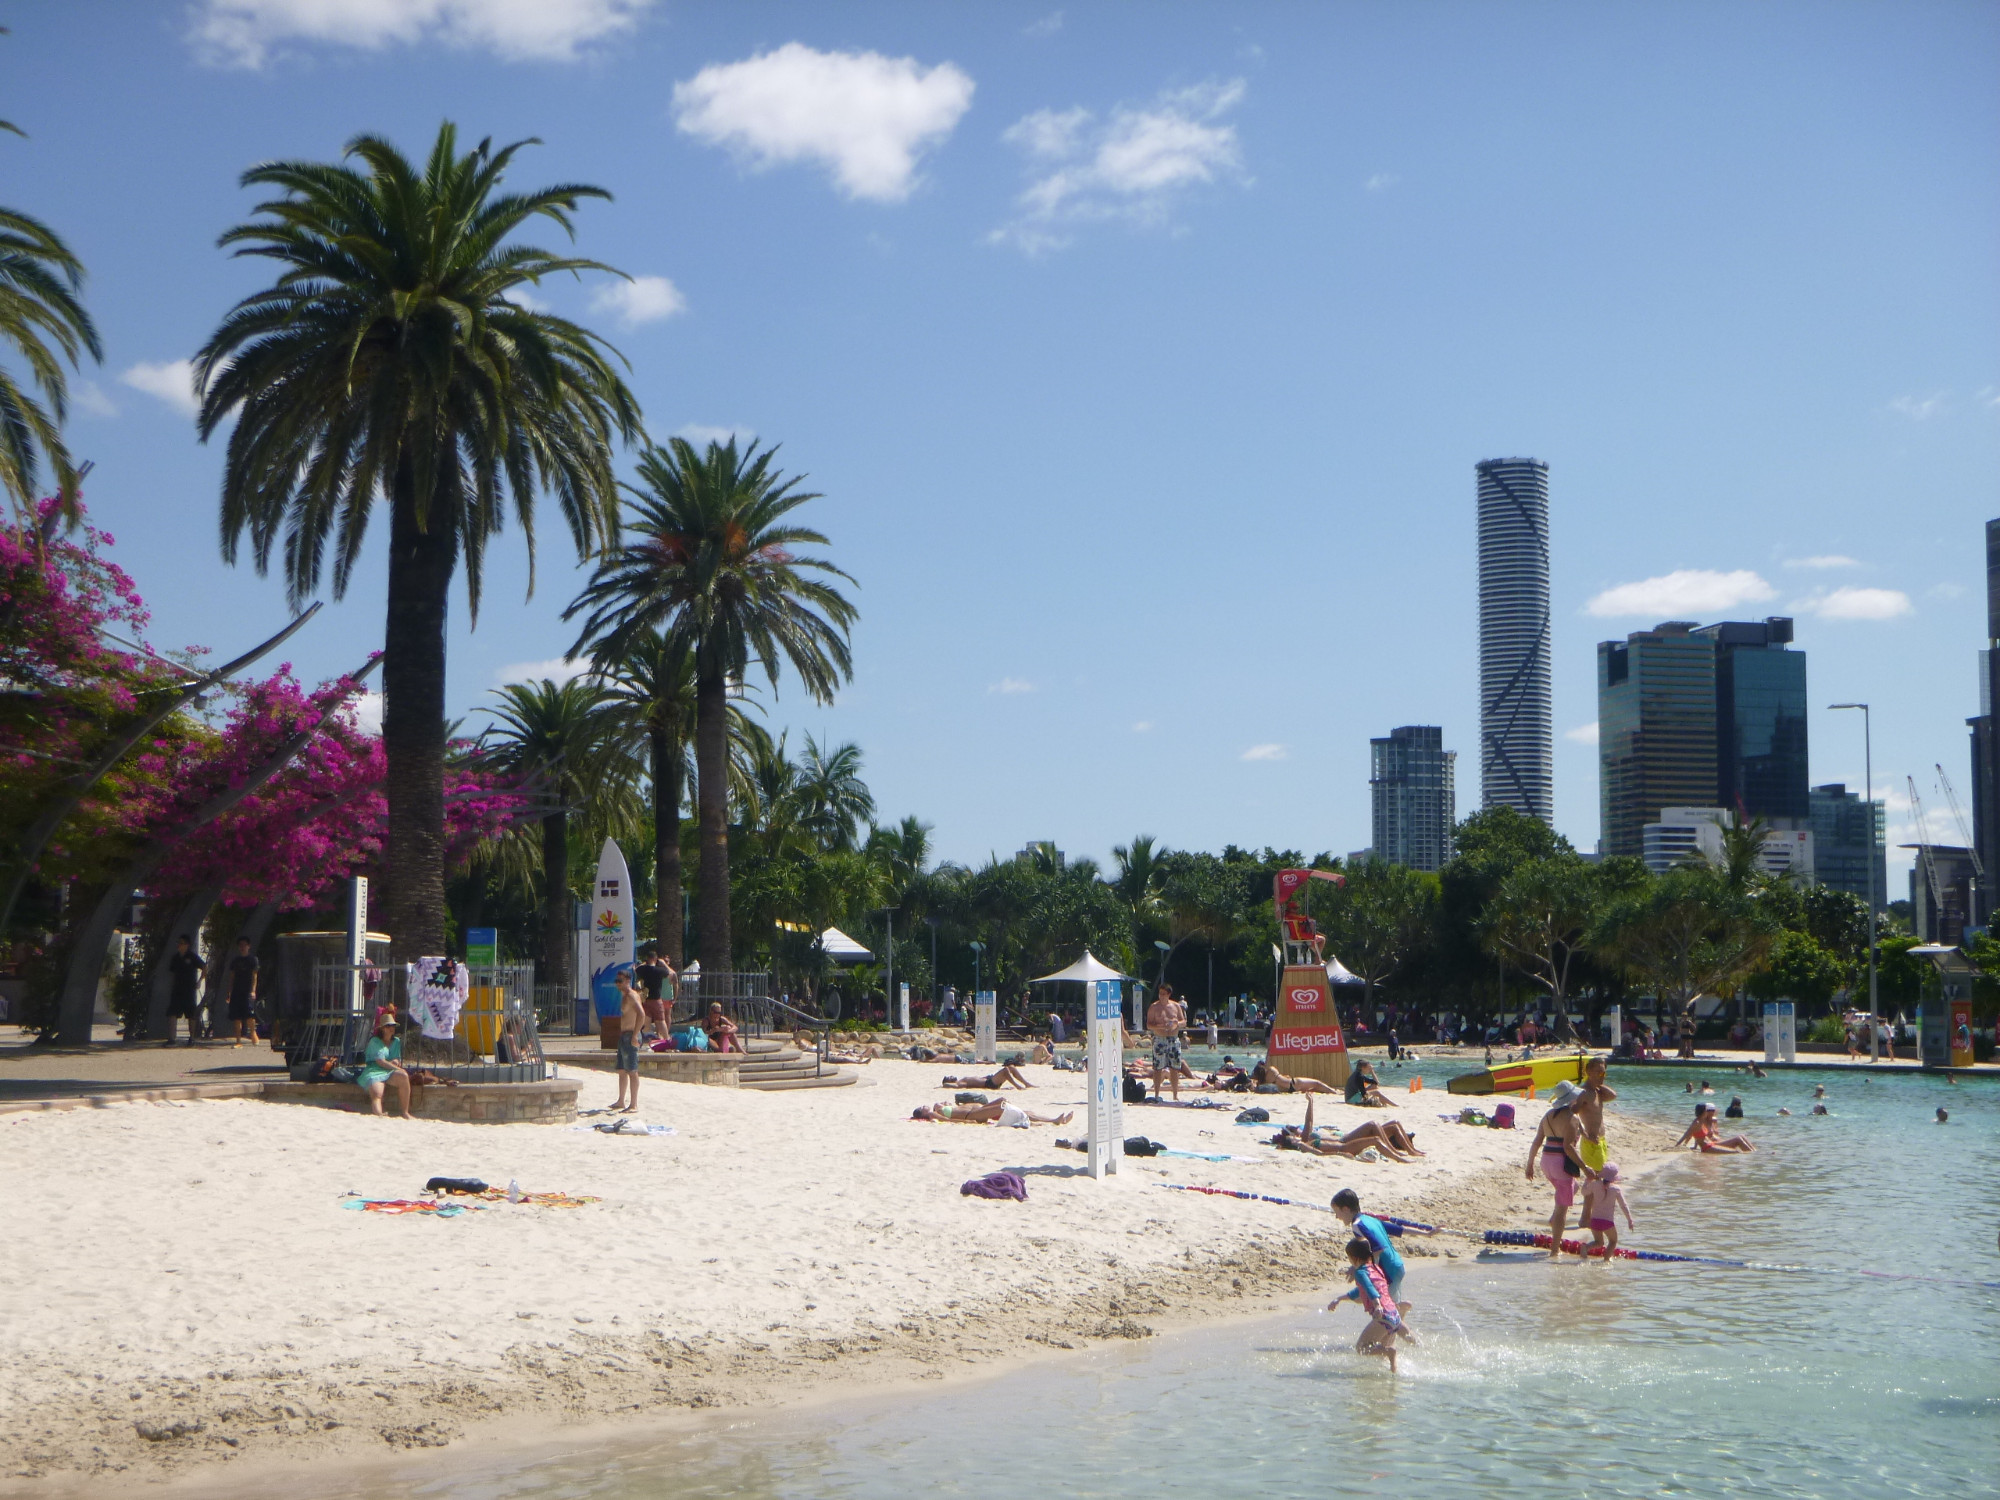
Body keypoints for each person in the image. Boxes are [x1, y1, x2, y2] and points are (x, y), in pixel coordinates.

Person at [1331, 1187, 1430, 1305]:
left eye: (1336, 1212)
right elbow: (1398, 1230)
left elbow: (1378, 1249)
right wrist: (1427, 1233)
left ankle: (1401, 1309)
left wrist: (1356, 1267)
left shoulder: (1357, 1225)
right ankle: (1402, 1307)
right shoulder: (1369, 1219)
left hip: (1389, 1272)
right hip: (1397, 1265)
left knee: (1386, 1315)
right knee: (1378, 1304)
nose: (1337, 1217)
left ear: (1346, 1209)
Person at [1526, 1080, 1590, 1256]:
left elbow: (1537, 1140)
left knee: (1572, 1187)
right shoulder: (1572, 1118)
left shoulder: (1548, 1115)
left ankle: (1554, 1218)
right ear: (1572, 1099)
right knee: (1563, 1206)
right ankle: (1555, 1250)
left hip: (1546, 1161)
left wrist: (1530, 1164)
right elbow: (1568, 1146)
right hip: (1561, 1163)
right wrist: (1584, 1168)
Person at [1331, 1236, 1412, 1373]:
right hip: (1394, 1315)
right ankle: (1393, 1372)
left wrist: (1377, 1305)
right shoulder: (1376, 1268)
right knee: (1381, 1355)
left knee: (1362, 1348)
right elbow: (1362, 1291)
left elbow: (1369, 1288)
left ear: (1354, 1258)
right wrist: (1340, 1298)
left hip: (1383, 1315)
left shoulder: (1360, 1272)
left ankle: (1390, 1353)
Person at [1273, 1097, 1422, 1160]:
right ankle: (1396, 1152)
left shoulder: (1308, 1138)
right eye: (1295, 1130)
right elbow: (1309, 1121)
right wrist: (1311, 1102)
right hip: (1346, 1140)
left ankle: (1412, 1150)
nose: (1298, 1130)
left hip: (1346, 1138)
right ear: (1293, 1135)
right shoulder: (1304, 1139)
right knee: (1373, 1125)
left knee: (1395, 1124)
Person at [356, 1014, 413, 1118]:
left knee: (404, 1076)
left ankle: (405, 1112)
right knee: (377, 1093)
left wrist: (396, 1062)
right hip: (375, 1070)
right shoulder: (375, 1041)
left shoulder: (396, 1041)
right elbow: (380, 1061)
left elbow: (397, 1057)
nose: (391, 1028)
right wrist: (396, 1067)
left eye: (393, 1025)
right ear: (382, 1028)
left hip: (389, 1070)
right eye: (388, 1026)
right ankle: (379, 1114)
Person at [1580, 1163, 1635, 1256]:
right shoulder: (1616, 1189)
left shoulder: (1594, 1184)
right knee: (1613, 1241)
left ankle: (1586, 1247)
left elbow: (1584, 1192)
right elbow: (1623, 1205)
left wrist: (1587, 1181)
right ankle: (1606, 1261)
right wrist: (1630, 1220)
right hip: (1607, 1222)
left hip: (1594, 1221)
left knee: (1599, 1242)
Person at [1146, 984, 1187, 1101]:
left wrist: (1176, 1023)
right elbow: (1148, 1024)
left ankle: (1175, 1095)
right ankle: (1157, 1094)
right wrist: (1159, 1026)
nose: (1161, 996)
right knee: (1157, 1068)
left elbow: (1183, 1021)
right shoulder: (1154, 1007)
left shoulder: (1176, 1006)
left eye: (1164, 994)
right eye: (1160, 994)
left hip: (1173, 1039)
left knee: (1175, 1067)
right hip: (1159, 1039)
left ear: (1169, 994)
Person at [1576, 1056, 1617, 1174]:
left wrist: (1598, 1083)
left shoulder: (1597, 1092)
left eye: (1604, 1073)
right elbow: (1571, 1114)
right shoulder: (1583, 1093)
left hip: (1601, 1140)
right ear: (1588, 1072)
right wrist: (1584, 1134)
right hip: (1591, 1141)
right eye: (1598, 1072)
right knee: (1599, 1177)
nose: (1602, 1076)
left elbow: (1613, 1095)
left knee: (1599, 1179)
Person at [614, 970, 645, 1114]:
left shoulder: (632, 996)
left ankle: (634, 1104)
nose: (617, 984)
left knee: (632, 1070)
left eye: (620, 981)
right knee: (622, 1070)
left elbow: (641, 1014)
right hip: (624, 1035)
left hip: (631, 1035)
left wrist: (635, 1034)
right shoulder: (624, 996)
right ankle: (621, 1100)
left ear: (627, 980)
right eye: (616, 981)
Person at [165, 935, 204, 1046]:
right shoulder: (175, 957)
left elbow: (204, 967)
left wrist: (200, 981)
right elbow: (172, 973)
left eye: (182, 943)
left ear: (187, 945)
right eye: (179, 942)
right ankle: (172, 1039)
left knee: (191, 1014)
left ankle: (192, 1038)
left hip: (189, 990)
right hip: (177, 989)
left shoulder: (192, 957)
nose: (179, 945)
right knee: (172, 1013)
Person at [1674, 1102, 1756, 1152]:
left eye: (1713, 1110)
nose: (1713, 1112)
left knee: (1742, 1136)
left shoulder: (1705, 1121)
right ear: (1705, 1112)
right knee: (1738, 1139)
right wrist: (1678, 1146)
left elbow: (1697, 1134)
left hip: (1714, 1143)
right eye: (1710, 1110)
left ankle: (1754, 1152)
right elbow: (1689, 1133)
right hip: (1711, 1145)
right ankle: (1751, 1154)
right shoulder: (1699, 1122)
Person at [911, 1101, 1073, 1125]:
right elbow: (948, 1121)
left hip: (978, 1110)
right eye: (922, 1107)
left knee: (1016, 1108)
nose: (925, 1105)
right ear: (922, 1113)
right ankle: (1053, 1121)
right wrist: (967, 1122)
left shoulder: (936, 1106)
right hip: (972, 1115)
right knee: (1005, 1108)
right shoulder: (932, 1115)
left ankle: (1053, 1120)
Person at [224, 936, 259, 1048]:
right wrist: (229, 991)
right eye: (241, 945)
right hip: (236, 991)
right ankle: (238, 1041)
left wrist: (253, 991)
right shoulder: (235, 961)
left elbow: (255, 976)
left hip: (247, 991)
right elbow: (232, 977)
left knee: (249, 1014)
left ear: (249, 946)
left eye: (245, 945)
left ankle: (253, 1033)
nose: (242, 947)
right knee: (236, 1016)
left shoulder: (253, 960)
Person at [633, 946, 675, 1037]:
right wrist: (664, 964)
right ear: (656, 959)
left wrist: (644, 963)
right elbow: (671, 973)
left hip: (646, 998)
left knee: (646, 1021)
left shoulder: (643, 969)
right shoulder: (660, 971)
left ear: (648, 959)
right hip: (656, 999)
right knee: (661, 1020)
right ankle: (666, 1039)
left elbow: (635, 969)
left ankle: (647, 1038)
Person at [1250, 1060, 1338, 1095]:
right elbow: (1278, 1076)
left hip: (1288, 1090)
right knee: (1317, 1083)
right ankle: (1333, 1091)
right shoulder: (1271, 1070)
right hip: (1293, 1082)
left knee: (1315, 1088)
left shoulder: (1264, 1081)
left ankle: (1331, 1091)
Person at [941, 1064, 1033, 1090]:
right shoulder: (959, 1083)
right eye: (949, 1077)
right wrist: (945, 1084)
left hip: (989, 1079)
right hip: (989, 1084)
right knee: (1005, 1070)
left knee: (1011, 1067)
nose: (951, 1076)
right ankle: (1018, 1086)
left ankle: (1026, 1083)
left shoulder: (961, 1079)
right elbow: (955, 1087)